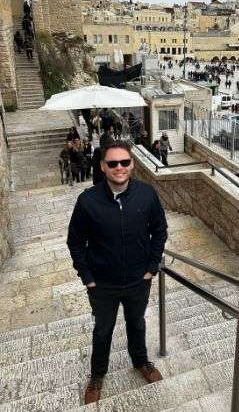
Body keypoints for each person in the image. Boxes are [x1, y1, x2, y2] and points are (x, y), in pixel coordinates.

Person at [67, 140, 167, 404]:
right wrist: (87, 278)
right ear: (103, 166)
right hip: (102, 285)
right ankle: (98, 375)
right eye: (113, 163)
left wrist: (151, 267)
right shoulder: (87, 201)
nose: (119, 167)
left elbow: (159, 231)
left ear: (132, 164)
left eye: (124, 162)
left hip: (138, 280)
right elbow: (75, 242)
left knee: (137, 323)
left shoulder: (147, 194)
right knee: (103, 330)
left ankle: (141, 362)